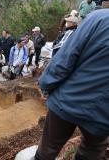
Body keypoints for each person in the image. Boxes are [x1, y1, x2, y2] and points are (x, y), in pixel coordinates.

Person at [35, 9, 109, 160]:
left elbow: (66, 57)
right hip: (103, 113)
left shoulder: (99, 18)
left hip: (69, 99)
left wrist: (46, 84)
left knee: (48, 149)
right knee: (92, 150)